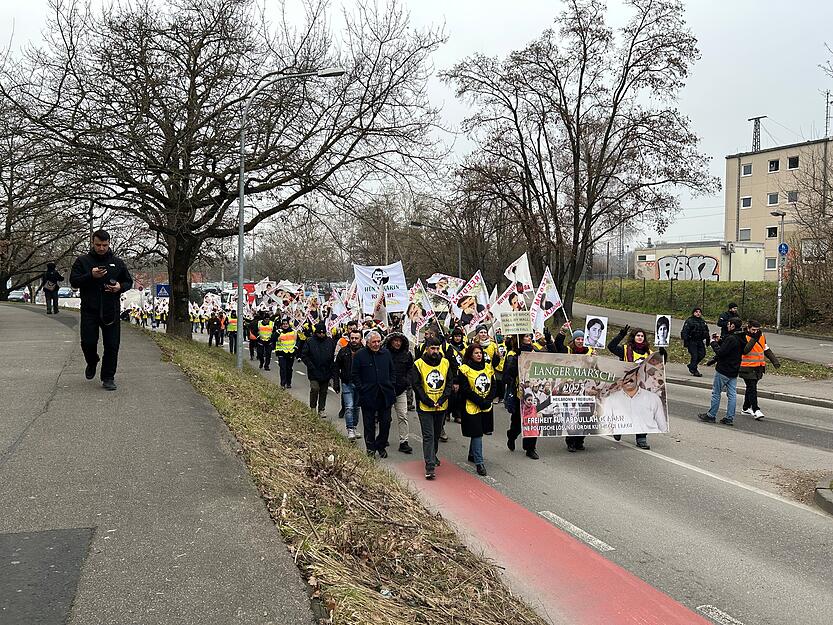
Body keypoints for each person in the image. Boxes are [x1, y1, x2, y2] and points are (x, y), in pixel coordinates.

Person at [69, 229, 133, 391]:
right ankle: (92, 361)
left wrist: (119, 287)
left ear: (109, 243)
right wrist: (90, 275)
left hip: (111, 310)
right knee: (88, 342)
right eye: (98, 245)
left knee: (112, 345)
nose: (101, 248)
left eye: (104, 245)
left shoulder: (117, 262)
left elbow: (128, 282)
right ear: (92, 243)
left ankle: (108, 377)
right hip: (89, 309)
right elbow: (74, 281)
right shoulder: (82, 261)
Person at [607, 325, 667, 449]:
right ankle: (619, 428)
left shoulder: (649, 353)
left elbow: (660, 364)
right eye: (637, 335)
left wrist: (662, 352)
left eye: (642, 336)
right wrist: (621, 335)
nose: (640, 337)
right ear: (633, 337)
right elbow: (611, 347)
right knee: (623, 410)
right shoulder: (625, 350)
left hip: (642, 388)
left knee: (643, 412)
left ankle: (641, 439)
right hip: (625, 386)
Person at [698, 316, 756, 426]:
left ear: (732, 326)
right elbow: (731, 348)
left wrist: (713, 343)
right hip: (734, 370)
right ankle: (729, 417)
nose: (727, 326)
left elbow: (721, 352)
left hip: (723, 369)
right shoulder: (742, 337)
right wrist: (720, 340)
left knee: (716, 393)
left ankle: (711, 415)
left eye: (728, 324)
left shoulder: (731, 339)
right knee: (732, 395)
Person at [410, 337, 453, 480]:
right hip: (425, 407)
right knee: (428, 435)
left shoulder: (445, 363)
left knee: (436, 434)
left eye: (437, 348)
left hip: (441, 406)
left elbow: (449, 383)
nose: (435, 351)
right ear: (427, 348)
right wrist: (427, 401)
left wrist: (441, 400)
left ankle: (433, 455)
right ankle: (430, 467)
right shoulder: (418, 364)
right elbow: (417, 385)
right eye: (432, 348)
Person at [351, 331, 396, 458]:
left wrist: (391, 384)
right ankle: (370, 449)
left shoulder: (386, 353)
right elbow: (355, 374)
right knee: (369, 424)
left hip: (385, 395)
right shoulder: (360, 355)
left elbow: (392, 371)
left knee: (386, 423)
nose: (376, 344)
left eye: (378, 341)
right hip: (368, 395)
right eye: (374, 342)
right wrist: (361, 389)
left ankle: (381, 445)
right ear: (368, 343)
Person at [553, 322, 595, 452]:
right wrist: (562, 331)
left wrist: (595, 359)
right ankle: (570, 441)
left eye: (582, 339)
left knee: (584, 416)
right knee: (572, 417)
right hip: (570, 389)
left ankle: (580, 440)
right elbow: (558, 344)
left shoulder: (590, 352)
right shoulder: (568, 350)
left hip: (585, 389)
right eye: (578, 339)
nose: (580, 341)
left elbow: (596, 370)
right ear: (574, 340)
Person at [456, 343, 495, 476]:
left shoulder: (488, 367)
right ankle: (479, 463)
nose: (479, 355)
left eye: (480, 353)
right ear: (470, 355)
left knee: (480, 431)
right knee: (477, 433)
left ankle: (472, 454)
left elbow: (493, 386)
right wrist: (480, 401)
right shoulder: (464, 369)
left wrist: (488, 400)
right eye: (476, 353)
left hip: (486, 405)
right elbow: (465, 389)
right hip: (471, 406)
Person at [505, 334, 540, 459]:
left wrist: (549, 341)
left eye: (530, 335)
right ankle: (512, 435)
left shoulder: (535, 351)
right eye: (526, 336)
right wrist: (517, 359)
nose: (529, 338)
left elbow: (550, 356)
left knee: (532, 421)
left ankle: (530, 448)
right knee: (517, 423)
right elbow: (509, 373)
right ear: (520, 338)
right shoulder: (513, 354)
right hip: (519, 394)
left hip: (534, 393)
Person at [739, 320, 780, 419]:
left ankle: (745, 408)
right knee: (752, 388)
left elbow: (766, 349)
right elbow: (745, 350)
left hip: (758, 367)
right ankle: (756, 409)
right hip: (746, 367)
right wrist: (754, 339)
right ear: (748, 328)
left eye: (757, 330)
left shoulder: (761, 336)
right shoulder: (743, 336)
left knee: (750, 388)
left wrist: (775, 361)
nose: (756, 332)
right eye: (753, 330)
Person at [383, 332, 415, 454]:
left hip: (401, 390)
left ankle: (404, 441)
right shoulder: (384, 353)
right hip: (387, 390)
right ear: (391, 341)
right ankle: (383, 439)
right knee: (385, 418)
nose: (397, 343)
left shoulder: (407, 354)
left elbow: (410, 369)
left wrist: (407, 381)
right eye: (395, 341)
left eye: (399, 341)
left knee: (403, 416)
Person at [332, 330, 363, 441]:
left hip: (360, 384)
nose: (354, 340)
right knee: (349, 407)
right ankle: (350, 429)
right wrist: (336, 383)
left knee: (356, 407)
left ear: (360, 339)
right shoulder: (343, 351)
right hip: (347, 383)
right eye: (352, 338)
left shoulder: (364, 352)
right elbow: (336, 367)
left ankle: (354, 427)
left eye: (356, 338)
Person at [301, 321, 336, 417]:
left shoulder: (330, 341)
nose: (321, 335)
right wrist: (310, 366)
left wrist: (332, 368)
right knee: (315, 388)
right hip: (314, 371)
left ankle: (321, 409)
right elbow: (304, 355)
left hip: (326, 370)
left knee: (323, 391)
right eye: (319, 333)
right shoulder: (310, 341)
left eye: (323, 333)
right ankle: (313, 407)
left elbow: (334, 355)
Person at [681, 307, 709, 377]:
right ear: (693, 313)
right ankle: (694, 370)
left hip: (700, 341)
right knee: (695, 356)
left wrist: (708, 340)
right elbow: (685, 332)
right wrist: (686, 341)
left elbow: (706, 331)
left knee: (702, 354)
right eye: (696, 312)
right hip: (692, 341)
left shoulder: (703, 321)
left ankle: (692, 365)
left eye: (699, 312)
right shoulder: (689, 321)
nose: (698, 313)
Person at [274, 318, 298, 389]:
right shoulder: (279, 331)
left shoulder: (294, 332)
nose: (285, 325)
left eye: (286, 324)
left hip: (290, 352)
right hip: (281, 352)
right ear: (281, 325)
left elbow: (298, 341)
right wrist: (276, 334)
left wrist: (295, 348)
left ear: (288, 324)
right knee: (283, 369)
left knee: (289, 369)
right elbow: (273, 339)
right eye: (283, 324)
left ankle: (288, 383)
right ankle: (283, 384)